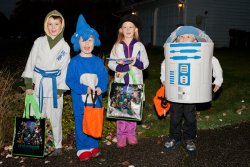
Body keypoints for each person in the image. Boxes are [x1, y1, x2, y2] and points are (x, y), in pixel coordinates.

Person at [160, 26, 223, 152]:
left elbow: (213, 61)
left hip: (193, 91)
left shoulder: (201, 53)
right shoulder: (173, 53)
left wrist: (218, 79)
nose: (184, 38)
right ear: (176, 40)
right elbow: (165, 63)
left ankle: (189, 138)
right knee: (175, 115)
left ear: (195, 41)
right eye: (181, 37)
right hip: (176, 91)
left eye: (188, 36)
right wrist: (164, 79)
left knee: (190, 116)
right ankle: (174, 137)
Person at [21, 10, 70, 156]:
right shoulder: (39, 42)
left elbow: (65, 69)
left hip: (55, 85)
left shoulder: (65, 47)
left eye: (56, 24)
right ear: (45, 25)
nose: (53, 27)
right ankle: (37, 144)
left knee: (55, 115)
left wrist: (61, 89)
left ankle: (57, 145)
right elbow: (31, 62)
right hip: (39, 84)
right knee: (37, 114)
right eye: (50, 24)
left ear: (62, 25)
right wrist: (29, 84)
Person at [66, 14, 108, 161]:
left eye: (89, 40)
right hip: (80, 100)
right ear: (78, 42)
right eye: (83, 40)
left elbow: (103, 78)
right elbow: (70, 80)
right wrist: (84, 89)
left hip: (95, 100)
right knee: (82, 121)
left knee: (94, 120)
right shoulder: (74, 62)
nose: (86, 44)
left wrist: (100, 88)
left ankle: (93, 144)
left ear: (94, 41)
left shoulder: (97, 61)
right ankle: (83, 147)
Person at [108, 14, 149, 148]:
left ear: (135, 29)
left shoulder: (139, 46)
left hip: (134, 81)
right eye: (125, 27)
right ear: (121, 30)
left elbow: (146, 63)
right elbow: (111, 64)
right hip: (121, 81)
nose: (127, 29)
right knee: (121, 110)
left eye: (130, 27)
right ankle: (121, 135)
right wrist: (119, 66)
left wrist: (135, 62)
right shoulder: (116, 46)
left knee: (132, 109)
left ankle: (131, 134)